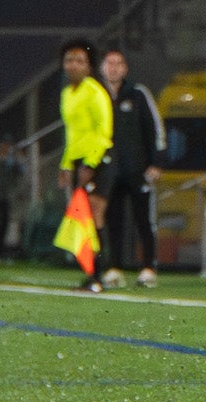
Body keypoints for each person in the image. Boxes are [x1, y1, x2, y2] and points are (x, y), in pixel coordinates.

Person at [98, 45, 165, 289]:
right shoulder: (96, 95)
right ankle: (113, 267)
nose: (114, 68)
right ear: (102, 68)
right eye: (109, 63)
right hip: (109, 171)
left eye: (118, 63)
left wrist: (156, 162)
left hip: (137, 170)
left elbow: (155, 129)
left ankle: (148, 267)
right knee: (112, 220)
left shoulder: (138, 94)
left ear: (125, 68)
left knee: (143, 220)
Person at [57, 39, 112, 292]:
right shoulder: (67, 94)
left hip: (99, 158)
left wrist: (90, 164)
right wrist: (66, 165)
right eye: (69, 60)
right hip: (79, 161)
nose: (73, 65)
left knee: (95, 213)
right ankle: (91, 273)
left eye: (80, 60)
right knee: (83, 216)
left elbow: (103, 132)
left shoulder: (95, 92)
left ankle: (99, 275)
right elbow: (72, 134)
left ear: (89, 66)